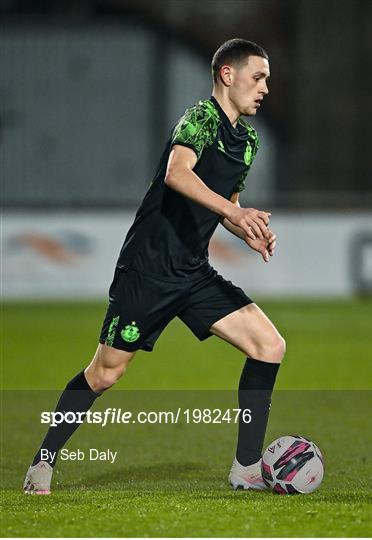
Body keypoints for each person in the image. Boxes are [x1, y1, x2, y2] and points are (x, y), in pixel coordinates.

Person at [23, 38, 285, 495]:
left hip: (193, 271)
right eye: (258, 77)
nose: (265, 87)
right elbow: (176, 174)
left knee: (269, 345)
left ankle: (245, 467)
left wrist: (245, 228)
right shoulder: (200, 119)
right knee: (105, 373)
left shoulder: (247, 142)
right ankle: (43, 461)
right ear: (228, 74)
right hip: (147, 269)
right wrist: (236, 212)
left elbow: (227, 206)